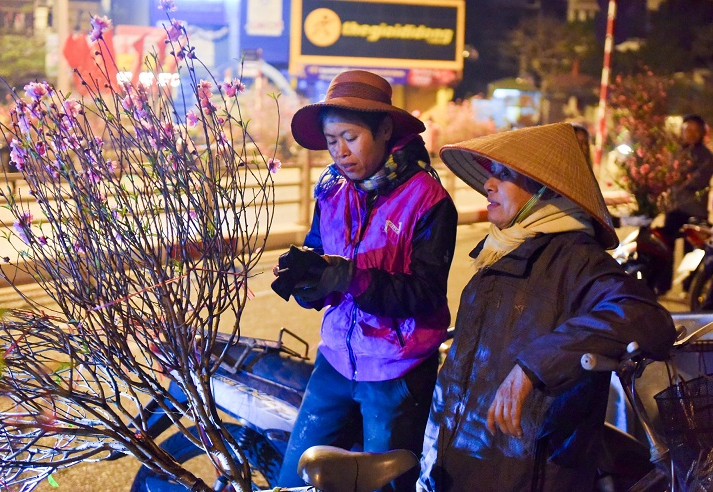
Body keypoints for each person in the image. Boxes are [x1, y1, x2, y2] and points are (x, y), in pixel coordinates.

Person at [416, 123, 676, 491]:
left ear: (545, 191)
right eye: (491, 173)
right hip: (455, 462)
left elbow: (645, 317)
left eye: (504, 175)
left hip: (528, 472)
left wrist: (533, 367)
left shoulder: (577, 259)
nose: (488, 184)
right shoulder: (499, 251)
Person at [271, 70, 458, 491]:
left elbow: (425, 295)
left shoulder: (429, 200)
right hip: (335, 359)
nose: (340, 152)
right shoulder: (333, 190)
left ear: (385, 128)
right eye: (331, 140)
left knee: (385, 485)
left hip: (398, 373)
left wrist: (353, 279)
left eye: (350, 137)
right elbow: (319, 251)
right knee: (295, 480)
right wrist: (308, 282)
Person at [658, 114, 713, 293]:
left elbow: (699, 181)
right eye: (687, 130)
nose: (691, 134)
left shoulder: (706, 156)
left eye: (695, 131)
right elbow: (666, 175)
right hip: (674, 208)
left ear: (702, 133)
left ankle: (689, 289)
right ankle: (662, 285)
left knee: (692, 251)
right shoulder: (676, 152)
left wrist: (678, 180)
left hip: (694, 210)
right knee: (665, 246)